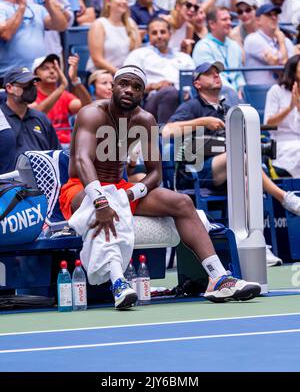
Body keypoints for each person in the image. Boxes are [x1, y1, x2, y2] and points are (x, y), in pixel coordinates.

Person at [59, 64, 261, 309]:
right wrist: (101, 200)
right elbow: (81, 159)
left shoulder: (145, 120)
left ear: (143, 93)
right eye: (123, 84)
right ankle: (118, 283)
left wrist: (131, 192)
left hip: (120, 187)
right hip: (80, 188)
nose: (129, 90)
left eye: (136, 87)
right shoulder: (91, 114)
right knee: (101, 203)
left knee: (183, 203)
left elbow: (154, 174)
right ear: (112, 87)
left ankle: (218, 278)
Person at [162, 61, 300, 263]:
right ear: (197, 83)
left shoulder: (228, 109)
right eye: (209, 74)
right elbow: (167, 132)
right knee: (242, 158)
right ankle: (285, 198)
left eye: (217, 73)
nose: (216, 76)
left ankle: (256, 244)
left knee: (247, 181)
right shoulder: (191, 106)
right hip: (199, 171)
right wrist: (202, 122)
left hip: (229, 171)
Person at [0, 0, 68, 79]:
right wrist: (22, 6)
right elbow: (5, 34)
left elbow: (61, 26)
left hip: (38, 74)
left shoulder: (36, 8)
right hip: (12, 75)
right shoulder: (2, 8)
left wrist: (49, 6)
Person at [124, 17, 195, 123]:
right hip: (152, 101)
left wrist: (189, 91)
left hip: (186, 99)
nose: (159, 36)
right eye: (154, 33)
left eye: (163, 32)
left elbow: (196, 79)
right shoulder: (139, 54)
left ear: (170, 34)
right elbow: (127, 84)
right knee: (169, 93)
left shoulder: (183, 57)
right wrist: (154, 86)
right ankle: (167, 136)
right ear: (148, 35)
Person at [0, 67, 61, 172]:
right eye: (26, 84)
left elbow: (56, 154)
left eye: (33, 84)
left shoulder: (41, 118)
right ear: (9, 88)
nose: (31, 88)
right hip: (8, 184)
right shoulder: (2, 118)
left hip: (42, 182)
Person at [31, 54, 92, 147]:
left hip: (66, 145)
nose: (52, 71)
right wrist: (62, 86)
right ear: (34, 75)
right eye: (45, 68)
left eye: (55, 68)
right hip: (41, 145)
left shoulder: (64, 95)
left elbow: (88, 108)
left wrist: (75, 80)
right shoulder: (30, 95)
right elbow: (37, 115)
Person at [86, 0, 141, 75]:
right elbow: (97, 59)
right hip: (103, 75)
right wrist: (120, 73)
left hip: (126, 76)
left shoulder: (131, 23)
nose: (124, 1)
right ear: (108, 2)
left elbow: (137, 54)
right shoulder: (99, 25)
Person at [192, 6, 245, 93]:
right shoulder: (203, 47)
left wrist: (240, 89)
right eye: (224, 19)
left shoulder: (235, 46)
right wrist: (233, 93)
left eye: (230, 19)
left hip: (236, 95)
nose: (229, 22)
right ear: (212, 24)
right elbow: (210, 78)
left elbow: (239, 75)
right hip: (214, 95)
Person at [264, 54, 300, 178]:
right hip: (282, 144)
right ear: (293, 69)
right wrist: (290, 108)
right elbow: (268, 124)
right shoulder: (276, 91)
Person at [244, 3, 295, 86]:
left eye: (276, 14)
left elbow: (292, 69)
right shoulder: (252, 39)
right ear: (257, 20)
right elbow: (282, 67)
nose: (274, 17)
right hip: (258, 90)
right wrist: (282, 43)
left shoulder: (286, 40)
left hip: (281, 88)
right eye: (269, 15)